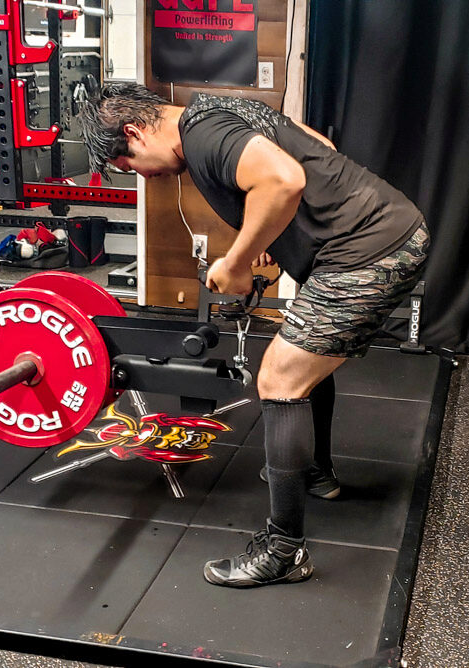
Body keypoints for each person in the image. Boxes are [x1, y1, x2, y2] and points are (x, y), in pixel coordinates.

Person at [78, 84, 429, 588]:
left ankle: (284, 551)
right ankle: (314, 474)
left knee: (279, 379)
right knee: (302, 356)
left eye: (129, 164)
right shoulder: (213, 106)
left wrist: (237, 260)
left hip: (367, 250)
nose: (142, 176)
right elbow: (313, 148)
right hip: (384, 231)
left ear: (134, 132)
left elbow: (284, 179)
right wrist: (269, 233)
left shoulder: (201, 135)